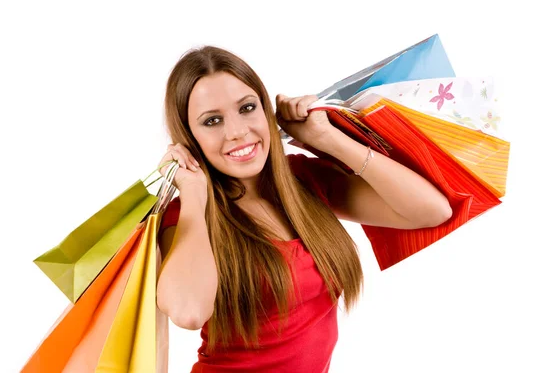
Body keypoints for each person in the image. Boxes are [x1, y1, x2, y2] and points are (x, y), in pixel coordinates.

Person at [155, 45, 452, 373]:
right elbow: (188, 312)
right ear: (189, 137)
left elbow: (432, 211)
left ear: (266, 110)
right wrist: (195, 194)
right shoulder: (186, 216)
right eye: (212, 120)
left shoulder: (303, 181)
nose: (237, 131)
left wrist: (328, 139)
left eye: (247, 108)